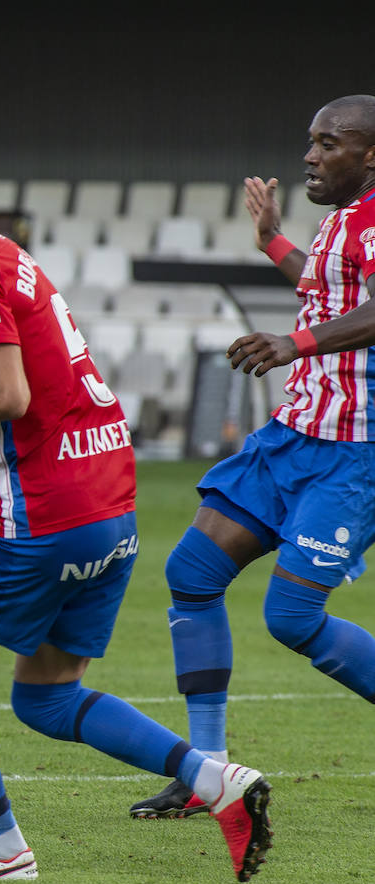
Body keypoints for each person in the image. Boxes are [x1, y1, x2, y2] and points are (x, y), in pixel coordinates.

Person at [0, 104, 272, 882]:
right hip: (107, 506)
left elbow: (5, 392)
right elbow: (19, 397)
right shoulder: (6, 255)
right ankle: (218, 780)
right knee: (47, 697)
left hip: (45, 517)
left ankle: (1, 848)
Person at [129, 94, 375, 821]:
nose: (310, 154)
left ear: (371, 155)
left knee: (293, 617)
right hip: (296, 436)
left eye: (329, 143)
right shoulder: (344, 220)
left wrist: (292, 344)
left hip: (355, 451)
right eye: (310, 140)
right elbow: (326, 288)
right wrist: (272, 241)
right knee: (193, 571)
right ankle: (208, 773)